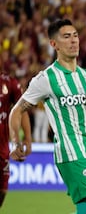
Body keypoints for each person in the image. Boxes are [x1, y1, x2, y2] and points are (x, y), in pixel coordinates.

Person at [8, 19, 86, 214]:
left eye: (75, 36)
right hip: (70, 152)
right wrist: (16, 141)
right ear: (54, 44)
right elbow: (17, 110)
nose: (73, 41)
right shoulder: (46, 79)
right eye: (66, 37)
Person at [0, 57, 31, 209]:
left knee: (3, 190)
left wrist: (27, 139)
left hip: (2, 148)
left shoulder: (9, 83)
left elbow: (22, 110)